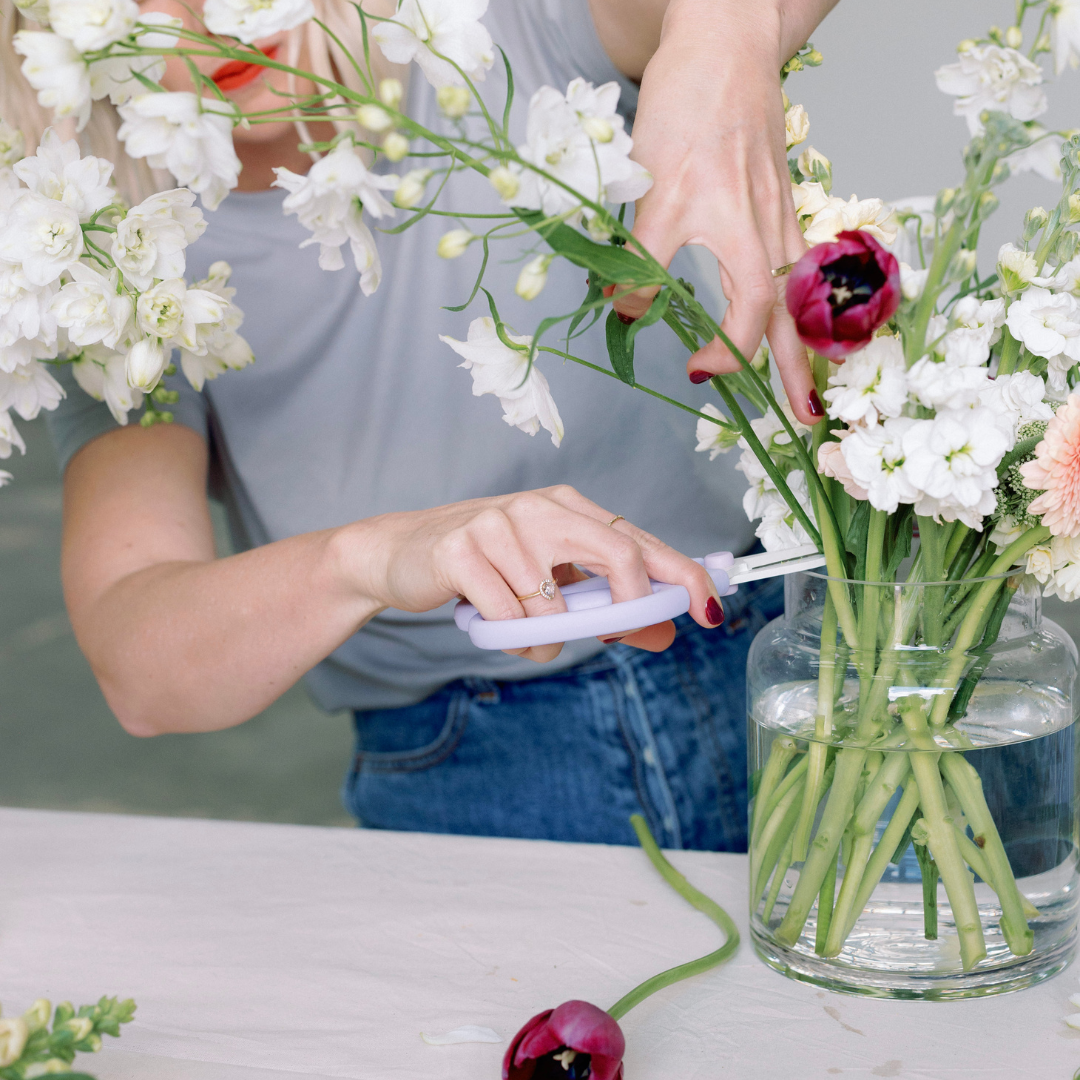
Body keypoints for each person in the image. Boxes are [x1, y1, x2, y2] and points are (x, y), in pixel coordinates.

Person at [4, 0, 838, 850]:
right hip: (478, 763)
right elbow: (141, 668)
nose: (216, 16)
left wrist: (721, 40)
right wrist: (377, 557)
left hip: (800, 651)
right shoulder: (117, 270)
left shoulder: (493, 32)